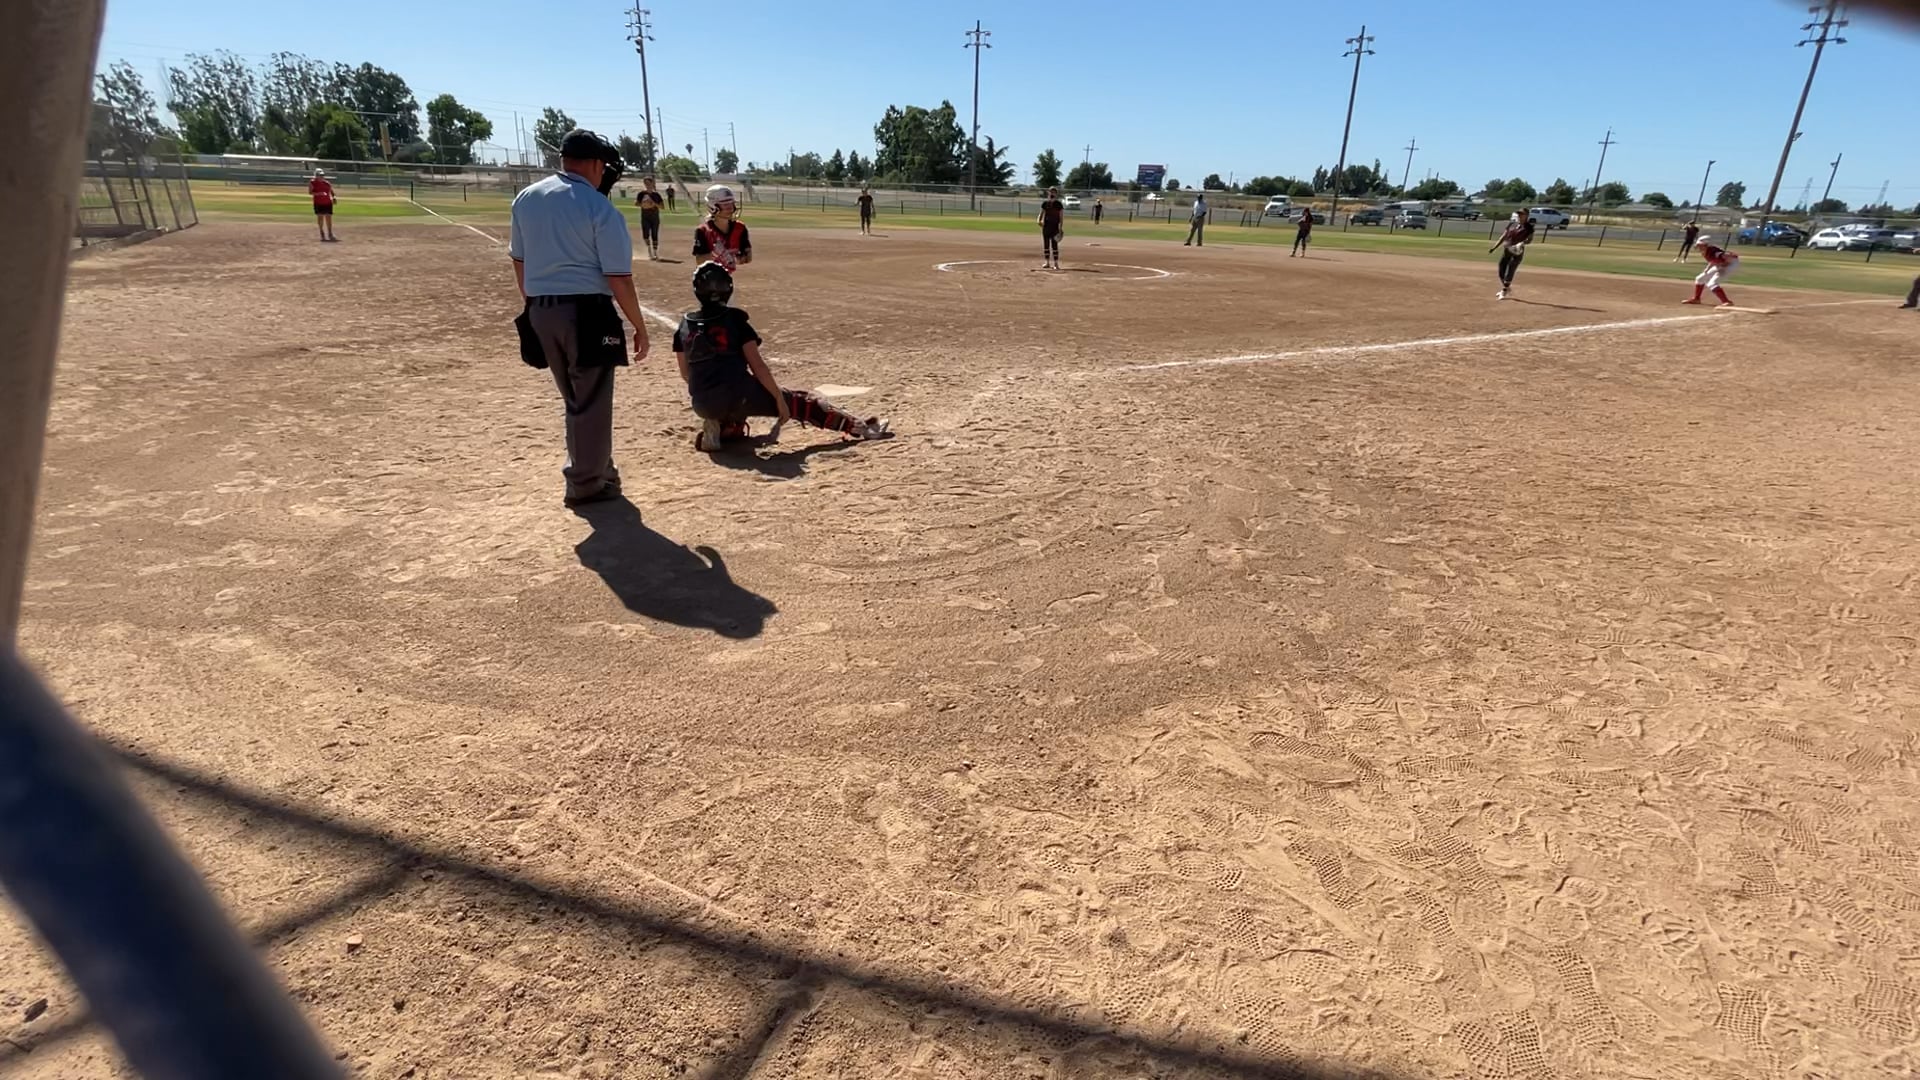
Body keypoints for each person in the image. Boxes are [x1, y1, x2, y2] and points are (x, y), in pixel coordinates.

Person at [509, 129, 650, 507]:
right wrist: (639, 325)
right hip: (588, 312)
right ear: (595, 164)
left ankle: (599, 469)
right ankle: (586, 483)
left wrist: (534, 306)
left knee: (575, 399)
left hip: (542, 309)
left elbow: (519, 261)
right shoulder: (598, 207)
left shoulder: (527, 197)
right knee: (590, 402)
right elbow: (618, 278)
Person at [674, 263, 890, 451]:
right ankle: (861, 428)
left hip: (702, 403)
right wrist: (779, 399)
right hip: (737, 393)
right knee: (801, 402)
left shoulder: (685, 325)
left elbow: (686, 374)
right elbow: (758, 367)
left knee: (734, 410)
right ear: (728, 288)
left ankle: (721, 425)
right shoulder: (735, 320)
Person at [693, 185, 752, 271]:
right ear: (713, 207)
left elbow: (748, 257)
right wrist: (715, 253)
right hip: (707, 277)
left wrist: (733, 257)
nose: (730, 208)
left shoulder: (740, 228)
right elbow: (699, 261)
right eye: (725, 204)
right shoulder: (703, 231)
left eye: (731, 203)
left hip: (726, 276)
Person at [1490, 208, 1536, 300]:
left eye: (1522, 214)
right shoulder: (1512, 224)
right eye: (1519, 214)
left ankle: (1504, 290)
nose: (1519, 215)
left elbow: (1529, 240)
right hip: (1507, 250)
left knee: (1510, 270)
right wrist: (1495, 247)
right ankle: (1506, 287)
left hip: (1517, 252)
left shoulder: (1529, 227)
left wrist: (1522, 243)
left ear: (1526, 216)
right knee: (1501, 270)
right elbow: (1504, 236)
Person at [1682, 236, 1738, 307]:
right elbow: (1713, 260)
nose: (1699, 247)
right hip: (1720, 264)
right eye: (1698, 245)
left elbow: (1728, 256)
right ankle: (1696, 299)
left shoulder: (1714, 251)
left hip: (1730, 265)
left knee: (1712, 283)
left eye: (1700, 245)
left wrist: (1724, 266)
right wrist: (1707, 268)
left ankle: (1726, 302)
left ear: (1706, 245)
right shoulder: (1706, 251)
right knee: (1700, 278)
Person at [635, 177, 665, 261]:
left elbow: (662, 206)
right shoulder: (641, 194)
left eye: (648, 183)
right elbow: (636, 203)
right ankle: (649, 252)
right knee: (645, 235)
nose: (647, 185)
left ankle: (655, 253)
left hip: (654, 217)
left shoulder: (656, 195)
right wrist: (643, 204)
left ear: (652, 183)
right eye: (645, 183)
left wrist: (654, 204)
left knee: (654, 234)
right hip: (645, 217)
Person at [1037, 187, 1064, 270]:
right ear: (1048, 193)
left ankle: (1056, 263)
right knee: (1046, 245)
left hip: (1055, 227)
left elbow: (1061, 217)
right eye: (1051, 192)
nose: (1052, 193)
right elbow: (1041, 214)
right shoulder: (1045, 203)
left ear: (1056, 194)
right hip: (1046, 227)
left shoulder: (1058, 204)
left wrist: (1060, 228)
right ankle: (1047, 262)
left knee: (1054, 245)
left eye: (1054, 192)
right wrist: (1038, 220)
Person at [308, 169, 337, 242]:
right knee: (320, 217)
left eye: (322, 175)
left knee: (328, 218)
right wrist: (319, 194)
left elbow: (331, 192)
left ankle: (330, 233)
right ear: (316, 175)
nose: (322, 176)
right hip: (318, 203)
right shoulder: (312, 182)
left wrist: (334, 197)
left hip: (327, 202)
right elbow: (310, 192)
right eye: (320, 175)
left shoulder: (327, 183)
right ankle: (322, 232)